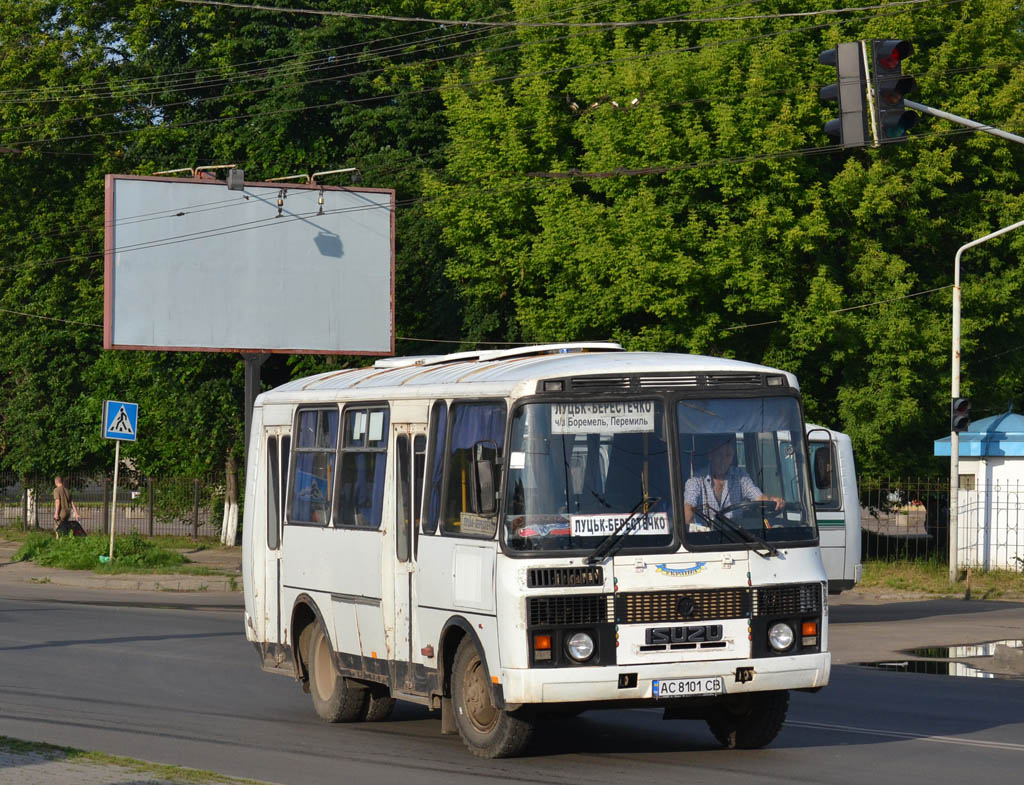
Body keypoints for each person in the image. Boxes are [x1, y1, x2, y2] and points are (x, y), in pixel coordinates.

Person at [684, 437, 784, 530]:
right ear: (711, 455)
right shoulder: (696, 480)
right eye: (719, 455)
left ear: (732, 457)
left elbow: (759, 497)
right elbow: (688, 510)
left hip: (737, 540)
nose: (724, 460)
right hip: (707, 542)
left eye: (728, 455)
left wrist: (773, 500)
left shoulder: (740, 476)